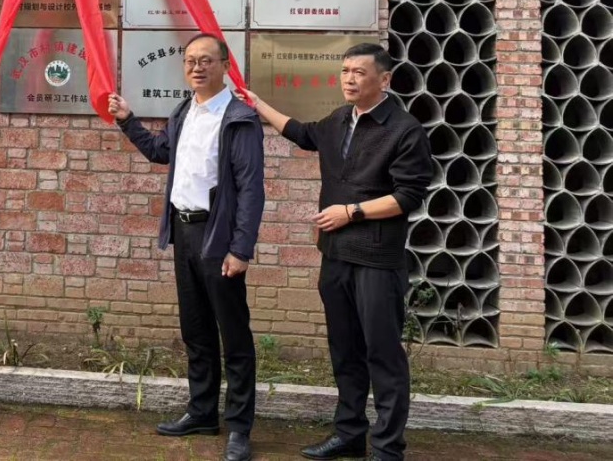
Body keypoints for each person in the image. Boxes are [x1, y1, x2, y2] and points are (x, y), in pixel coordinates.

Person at [245, 43, 433, 461]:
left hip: (377, 260)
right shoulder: (338, 120)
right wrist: (257, 104)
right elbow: (301, 133)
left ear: (384, 79)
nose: (349, 79)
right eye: (345, 70)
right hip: (335, 256)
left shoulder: (404, 130)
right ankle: (349, 433)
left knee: (383, 355)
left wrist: (351, 212)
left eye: (359, 72)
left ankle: (388, 448)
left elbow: (408, 196)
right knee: (345, 350)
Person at [108, 32, 264, 461]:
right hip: (184, 232)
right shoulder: (184, 112)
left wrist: (241, 249)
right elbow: (160, 152)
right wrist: (127, 119)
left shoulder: (239, 119)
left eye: (206, 60)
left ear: (225, 66)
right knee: (196, 329)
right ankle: (201, 412)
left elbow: (251, 190)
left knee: (233, 335)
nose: (197, 67)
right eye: (191, 60)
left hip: (219, 237)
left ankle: (239, 427)